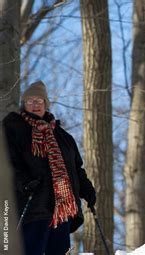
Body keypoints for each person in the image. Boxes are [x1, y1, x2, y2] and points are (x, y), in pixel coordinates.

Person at [2, 81, 97, 255]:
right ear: (24, 104)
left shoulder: (63, 137)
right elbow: (8, 162)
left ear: (46, 104)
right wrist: (24, 182)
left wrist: (87, 189)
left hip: (62, 211)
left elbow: (76, 169)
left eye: (39, 100)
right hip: (31, 206)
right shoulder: (13, 128)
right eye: (30, 101)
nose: (35, 105)